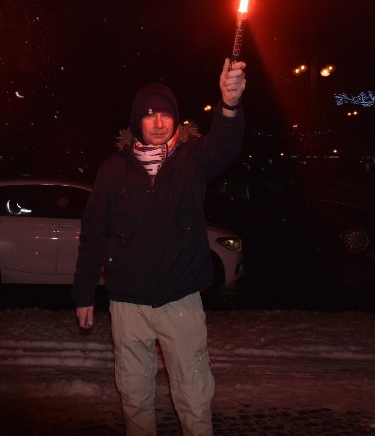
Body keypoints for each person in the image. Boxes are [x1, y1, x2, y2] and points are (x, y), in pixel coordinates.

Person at [72, 57, 246, 436]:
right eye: (150, 115)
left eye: (166, 114)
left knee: (193, 393)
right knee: (135, 396)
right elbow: (94, 233)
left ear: (175, 120)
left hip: (181, 300)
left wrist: (229, 105)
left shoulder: (192, 159)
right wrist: (84, 292)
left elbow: (226, 145)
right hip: (127, 302)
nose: (159, 122)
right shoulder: (114, 169)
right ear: (138, 121)